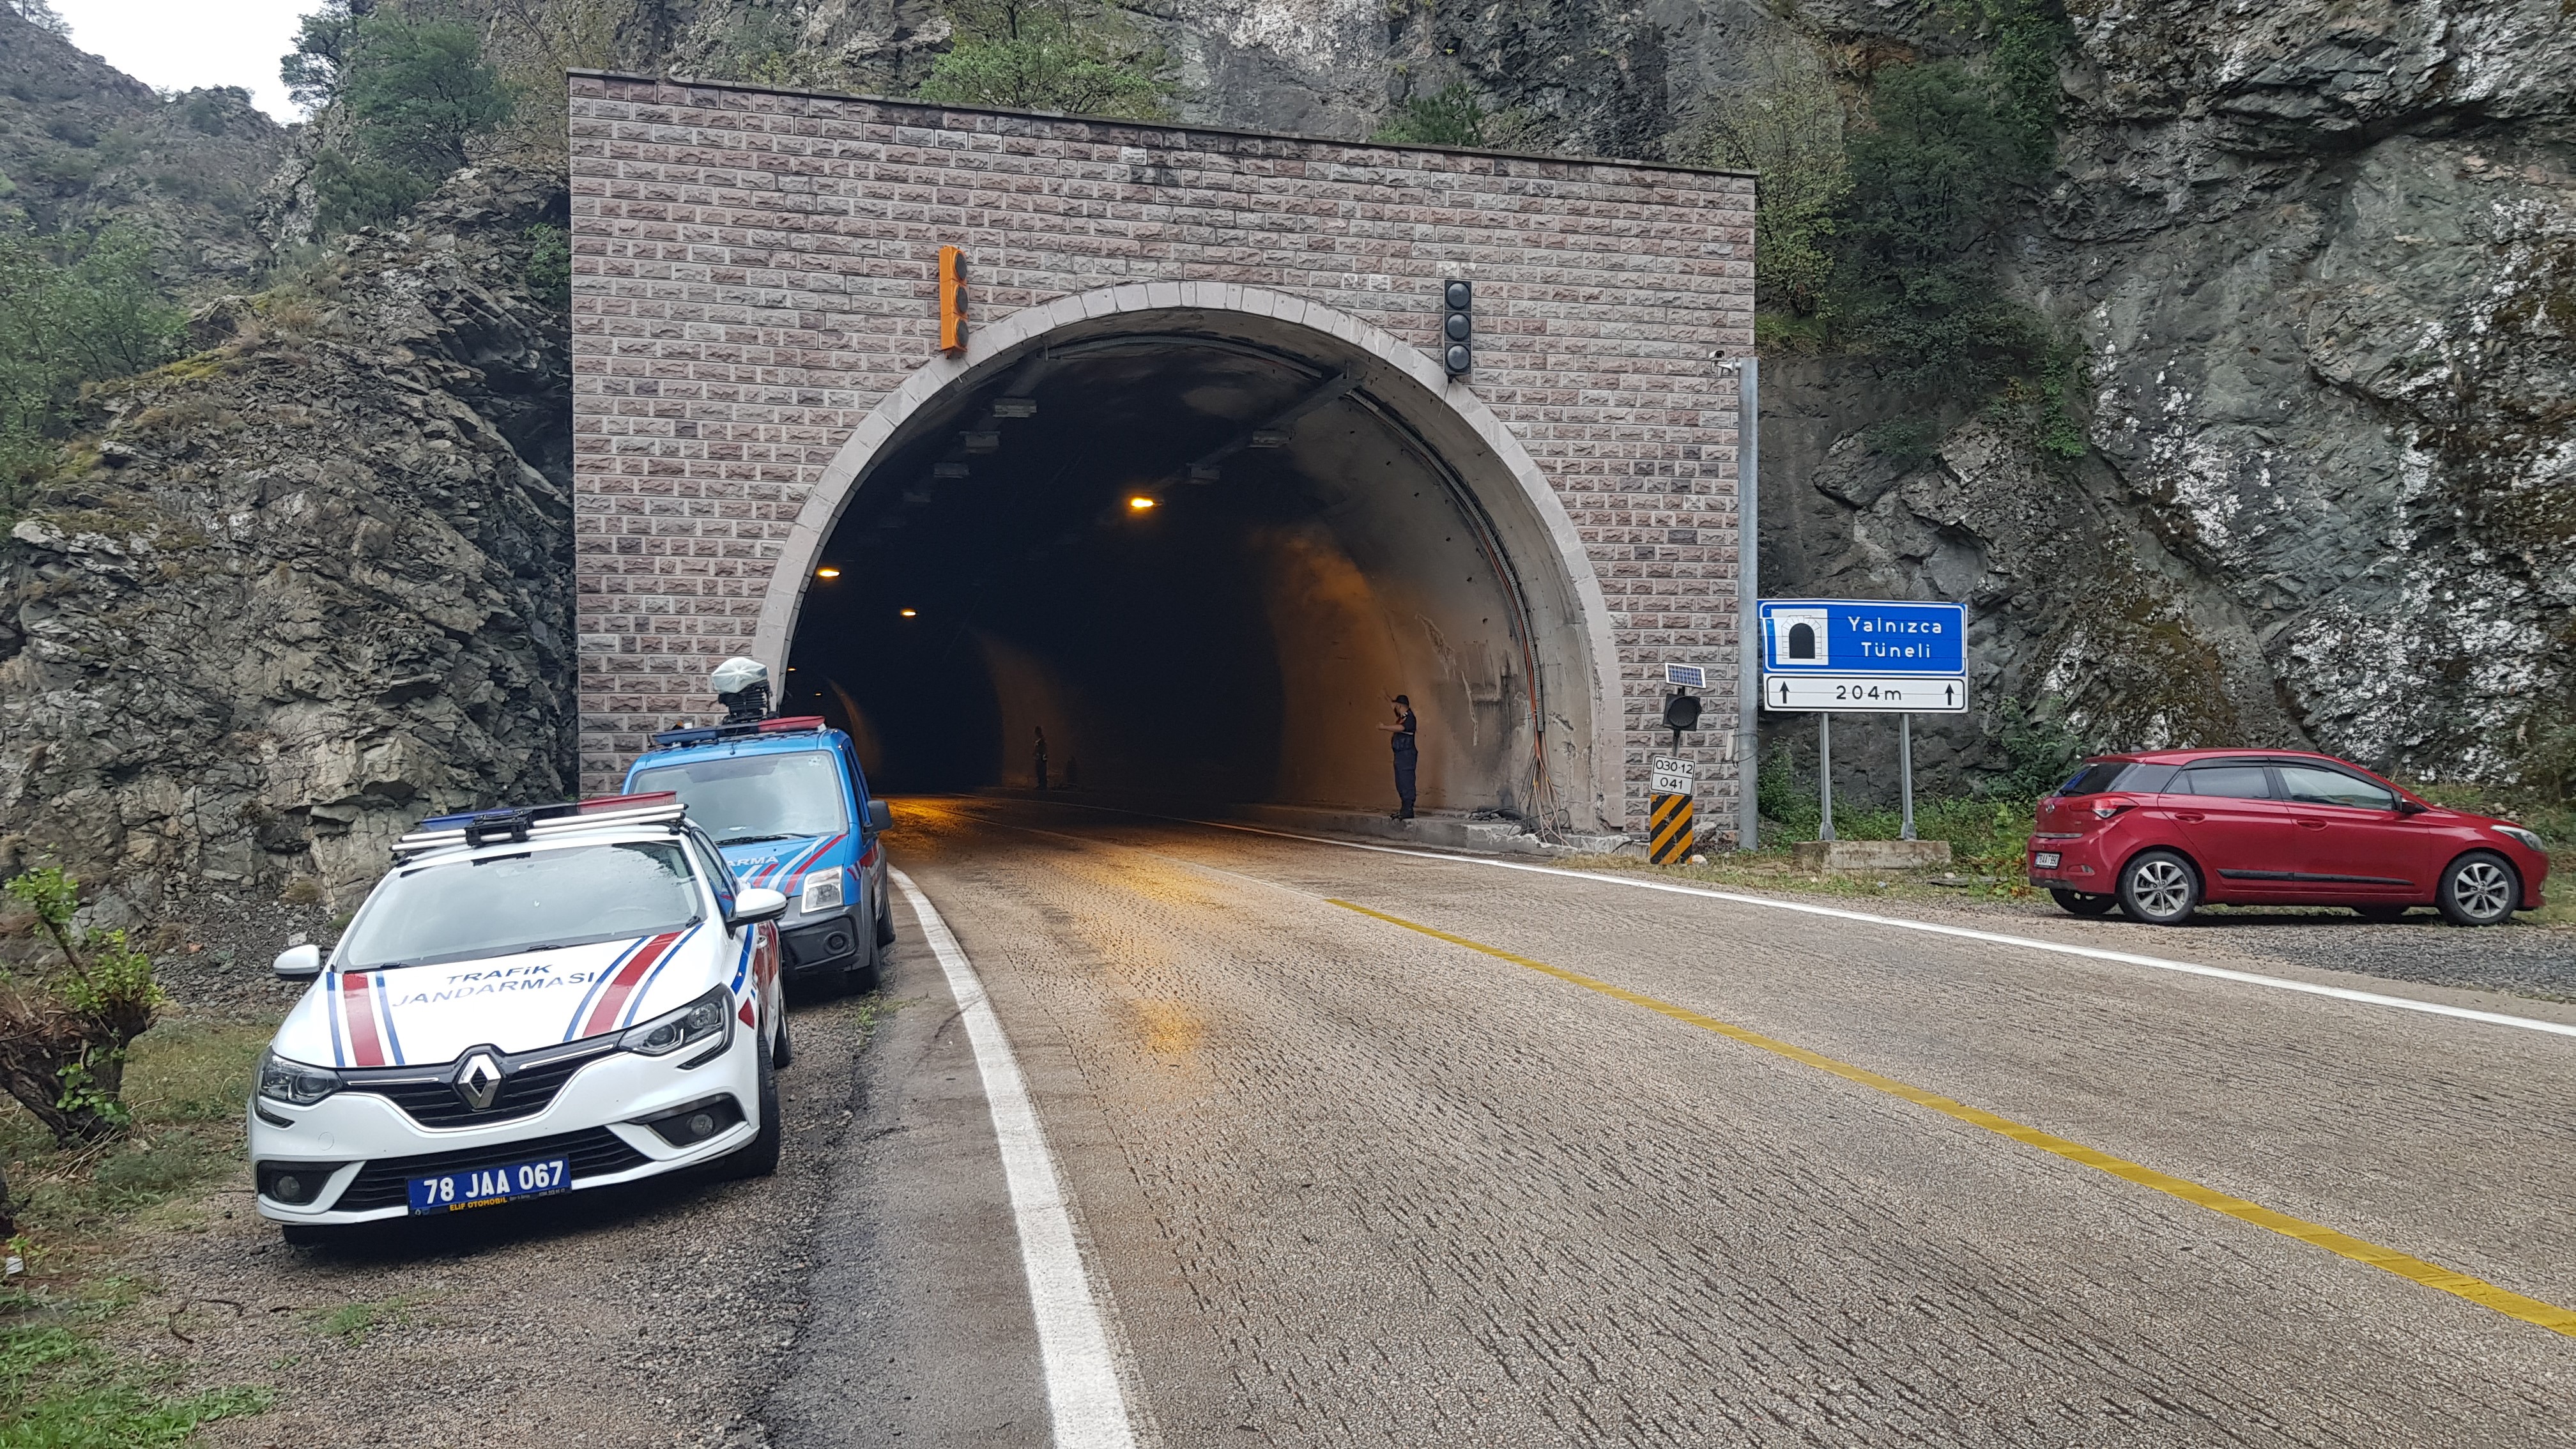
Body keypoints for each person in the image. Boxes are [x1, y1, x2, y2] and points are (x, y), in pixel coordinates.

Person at [1376, 694, 1416, 820]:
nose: (1394, 707)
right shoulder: (1402, 716)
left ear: (1399, 706)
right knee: (1400, 781)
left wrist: (1384, 728)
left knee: (1406, 781)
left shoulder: (1410, 718)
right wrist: (1385, 695)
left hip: (1407, 754)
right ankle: (1404, 808)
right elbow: (1392, 705)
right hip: (1400, 754)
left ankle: (1408, 809)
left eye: (1396, 705)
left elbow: (1401, 728)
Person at [1033, 726, 1050, 792]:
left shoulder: (1041, 741)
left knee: (1041, 772)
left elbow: (1043, 751)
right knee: (1040, 772)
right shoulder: (1041, 741)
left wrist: (1043, 759)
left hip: (1041, 759)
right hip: (1039, 759)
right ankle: (1041, 785)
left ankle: (1043, 785)